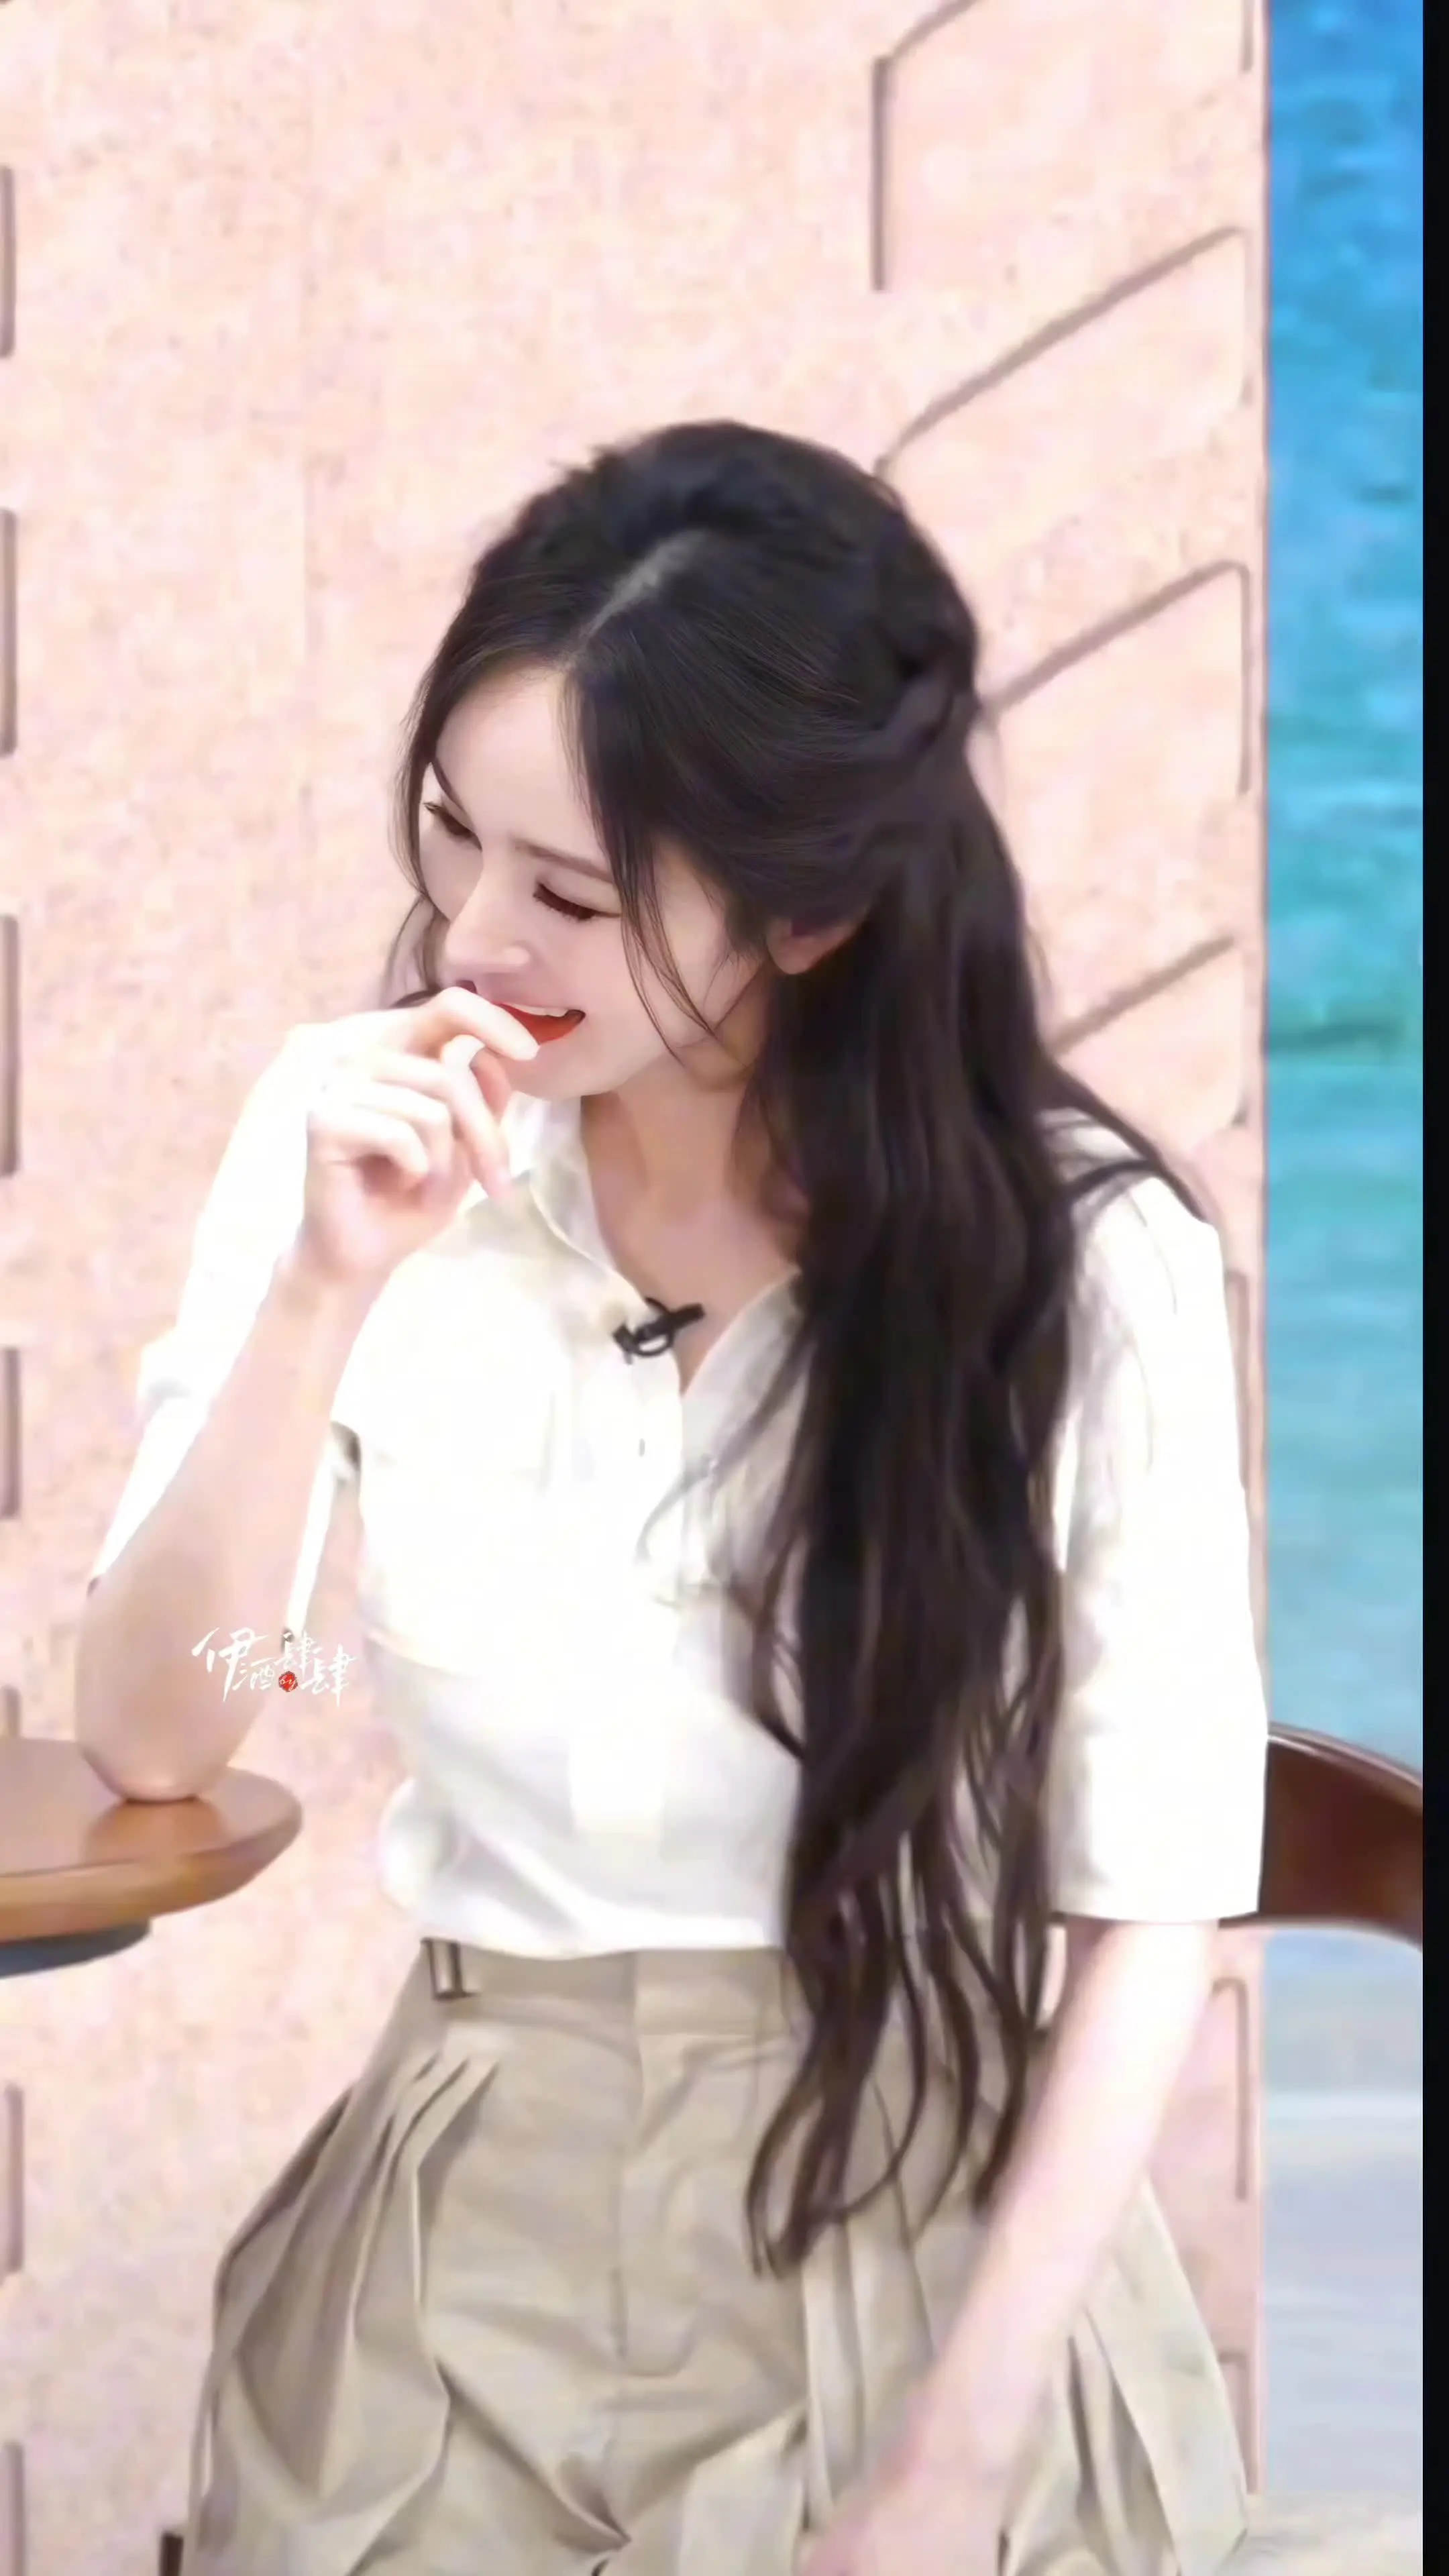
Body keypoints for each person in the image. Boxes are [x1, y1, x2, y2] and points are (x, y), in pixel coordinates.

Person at [76, 420, 1267, 2576]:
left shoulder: (1086, 1267)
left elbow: (1150, 1908)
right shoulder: (349, 1140)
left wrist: (950, 2472)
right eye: (453, 839)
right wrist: (320, 1298)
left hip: (907, 2214)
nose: (472, 937)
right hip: (459, 2244)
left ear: (809, 911)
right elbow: (172, 1722)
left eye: (569, 894)